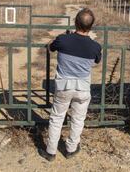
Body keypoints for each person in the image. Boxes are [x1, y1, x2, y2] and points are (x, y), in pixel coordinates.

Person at [39, 8, 102, 161]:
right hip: (82, 88)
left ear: (75, 22)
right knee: (78, 119)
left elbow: (50, 47)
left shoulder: (62, 39)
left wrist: (63, 39)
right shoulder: (95, 46)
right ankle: (71, 148)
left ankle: (51, 151)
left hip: (63, 86)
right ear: (91, 26)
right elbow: (97, 60)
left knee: (57, 117)